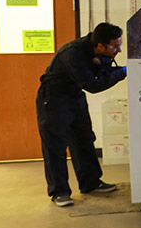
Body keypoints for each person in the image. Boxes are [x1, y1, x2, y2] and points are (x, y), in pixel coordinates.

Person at [36, 22, 127, 207]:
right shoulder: (73, 54)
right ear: (100, 45)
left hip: (75, 97)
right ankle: (59, 192)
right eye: (115, 46)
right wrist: (124, 72)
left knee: (84, 139)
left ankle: (91, 183)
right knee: (55, 146)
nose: (118, 50)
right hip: (53, 99)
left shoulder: (99, 51)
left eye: (119, 45)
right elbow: (93, 85)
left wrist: (126, 69)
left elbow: (105, 72)